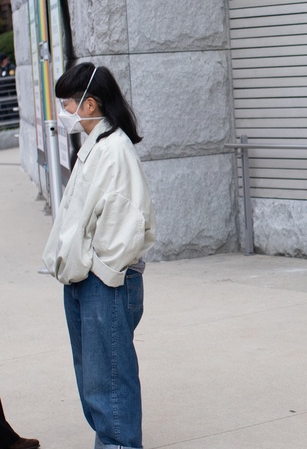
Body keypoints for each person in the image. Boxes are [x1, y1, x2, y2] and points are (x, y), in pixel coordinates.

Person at [42, 63, 156, 449]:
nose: (64, 112)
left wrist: (103, 274)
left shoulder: (115, 150)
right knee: (95, 377)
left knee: (108, 378)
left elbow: (126, 221)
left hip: (104, 282)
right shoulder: (98, 146)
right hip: (87, 280)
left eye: (68, 103)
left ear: (90, 104)